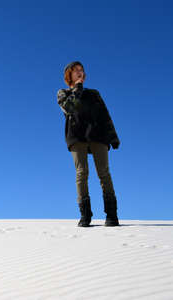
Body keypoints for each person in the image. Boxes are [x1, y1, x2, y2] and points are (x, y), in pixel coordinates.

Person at [57, 61, 121, 227]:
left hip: (98, 136)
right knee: (82, 173)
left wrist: (113, 137)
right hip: (77, 137)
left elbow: (105, 115)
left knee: (104, 173)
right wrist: (77, 89)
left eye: (82, 70)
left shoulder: (94, 94)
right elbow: (69, 108)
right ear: (69, 75)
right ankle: (85, 216)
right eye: (76, 71)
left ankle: (112, 215)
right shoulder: (63, 93)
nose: (80, 73)